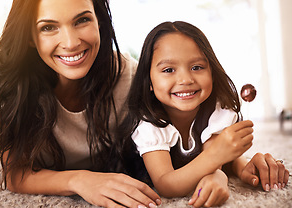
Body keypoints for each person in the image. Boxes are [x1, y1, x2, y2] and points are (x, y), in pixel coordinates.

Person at [0, 0, 162, 207]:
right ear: (30, 36)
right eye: (48, 27)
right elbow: (15, 174)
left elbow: (187, 137)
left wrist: (215, 174)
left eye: (82, 20)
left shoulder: (128, 75)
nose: (71, 43)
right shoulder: (10, 83)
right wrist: (79, 180)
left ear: (100, 22)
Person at [117, 21, 289, 207]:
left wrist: (241, 168)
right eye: (168, 70)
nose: (185, 79)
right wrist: (217, 163)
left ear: (212, 71)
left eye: (197, 67)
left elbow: (215, 162)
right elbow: (166, 184)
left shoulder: (216, 110)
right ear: (148, 81)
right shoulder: (149, 122)